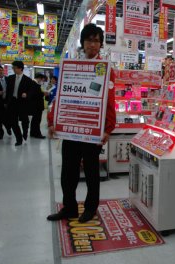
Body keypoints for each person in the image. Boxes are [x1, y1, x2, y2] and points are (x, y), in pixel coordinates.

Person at [47, 23, 116, 223]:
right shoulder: (71, 66)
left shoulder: (105, 69)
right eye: (89, 40)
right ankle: (69, 207)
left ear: (101, 44)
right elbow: (60, 96)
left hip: (92, 131)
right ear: (83, 42)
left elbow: (110, 101)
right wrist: (53, 121)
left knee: (92, 173)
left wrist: (108, 129)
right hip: (71, 130)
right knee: (68, 172)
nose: (92, 45)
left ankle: (90, 208)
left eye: (96, 41)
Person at [5, 61, 36, 146]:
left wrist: (26, 94)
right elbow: (8, 91)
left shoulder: (28, 80)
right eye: (13, 67)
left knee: (24, 120)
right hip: (12, 102)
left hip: (23, 103)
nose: (13, 69)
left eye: (14, 68)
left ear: (20, 68)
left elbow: (31, 91)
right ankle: (19, 139)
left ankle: (25, 132)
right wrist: (6, 102)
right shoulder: (10, 78)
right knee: (13, 122)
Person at [29, 73, 47, 139]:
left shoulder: (34, 84)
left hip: (36, 106)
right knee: (37, 120)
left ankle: (33, 133)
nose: (42, 81)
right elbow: (34, 95)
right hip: (37, 106)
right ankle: (37, 134)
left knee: (35, 120)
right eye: (42, 80)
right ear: (40, 78)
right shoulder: (34, 84)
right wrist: (43, 94)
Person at [0, 65, 11, 139]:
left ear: (3, 70)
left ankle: (8, 128)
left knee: (7, 119)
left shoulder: (9, 79)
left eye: (0, 70)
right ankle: (0, 133)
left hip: (8, 103)